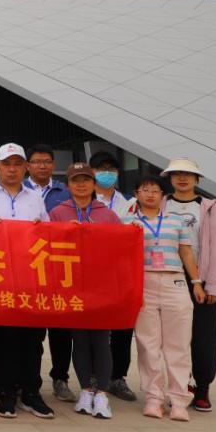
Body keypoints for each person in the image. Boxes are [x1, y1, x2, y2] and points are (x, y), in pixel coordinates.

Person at [0, 143, 55, 420]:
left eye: (18, 164)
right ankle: (6, 391)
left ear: (26, 168)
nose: (12, 169)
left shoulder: (36, 197)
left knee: (32, 339)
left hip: (30, 280)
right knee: (2, 339)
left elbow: (48, 233)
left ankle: (31, 391)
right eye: (7, 164)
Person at [122, 175, 205, 421]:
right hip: (143, 282)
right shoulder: (127, 222)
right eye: (145, 190)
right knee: (148, 344)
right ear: (136, 194)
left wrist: (196, 282)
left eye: (155, 191)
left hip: (174, 281)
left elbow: (186, 253)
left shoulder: (175, 220)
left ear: (162, 195)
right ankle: (153, 398)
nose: (150, 194)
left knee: (178, 344)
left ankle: (178, 400)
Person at [48, 162, 122, 419]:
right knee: (79, 339)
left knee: (101, 339)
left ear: (93, 183)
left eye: (86, 180)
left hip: (101, 285)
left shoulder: (107, 214)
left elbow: (119, 248)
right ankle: (86, 391)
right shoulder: (58, 212)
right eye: (75, 180)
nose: (81, 185)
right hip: (72, 286)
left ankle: (102, 393)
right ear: (68, 185)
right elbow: (49, 246)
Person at [162, 158, 216, 413]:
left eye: (187, 174)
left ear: (197, 179)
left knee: (204, 336)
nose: (182, 178)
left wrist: (212, 285)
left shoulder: (208, 208)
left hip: (200, 279)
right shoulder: (162, 203)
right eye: (176, 174)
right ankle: (180, 385)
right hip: (169, 276)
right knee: (175, 337)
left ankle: (203, 387)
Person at [24, 143, 74, 402]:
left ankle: (60, 378)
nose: (42, 166)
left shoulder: (66, 192)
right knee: (31, 331)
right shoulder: (20, 190)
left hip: (57, 268)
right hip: (26, 269)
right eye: (36, 161)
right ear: (28, 166)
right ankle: (28, 380)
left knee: (60, 330)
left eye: (46, 161)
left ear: (53, 165)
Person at [88, 150, 138, 402]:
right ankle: (94, 375)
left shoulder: (130, 202)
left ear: (118, 173)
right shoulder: (84, 200)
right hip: (91, 272)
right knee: (94, 327)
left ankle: (118, 376)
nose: (106, 173)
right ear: (91, 172)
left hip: (121, 272)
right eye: (100, 168)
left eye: (111, 168)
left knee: (122, 327)